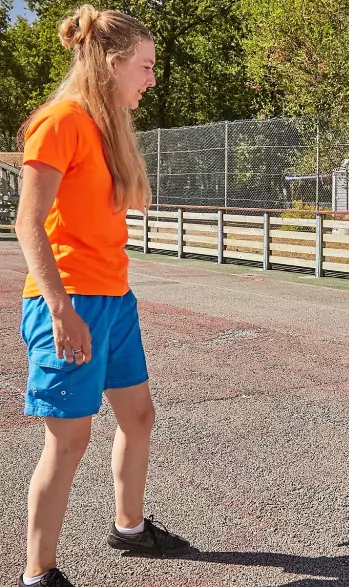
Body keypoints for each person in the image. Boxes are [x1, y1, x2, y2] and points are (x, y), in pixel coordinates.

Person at [14, 6, 189, 586]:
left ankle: (130, 526)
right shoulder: (60, 120)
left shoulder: (107, 126)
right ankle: (38, 574)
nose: (151, 78)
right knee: (69, 438)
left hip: (114, 297)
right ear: (112, 64)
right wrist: (62, 310)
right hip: (68, 299)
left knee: (138, 417)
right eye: (144, 66)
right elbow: (28, 224)